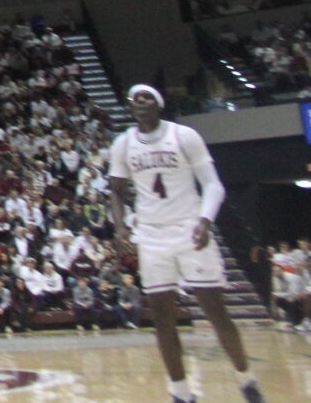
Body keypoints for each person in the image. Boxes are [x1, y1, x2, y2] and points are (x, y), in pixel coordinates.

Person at [108, 86, 265, 403]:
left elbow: (212, 185)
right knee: (163, 320)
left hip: (190, 229)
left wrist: (205, 220)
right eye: (133, 100)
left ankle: (246, 380)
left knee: (216, 314)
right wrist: (120, 225)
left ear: (159, 105)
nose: (139, 102)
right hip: (151, 235)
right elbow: (115, 191)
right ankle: (180, 392)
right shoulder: (122, 144)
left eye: (146, 97)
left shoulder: (184, 136)